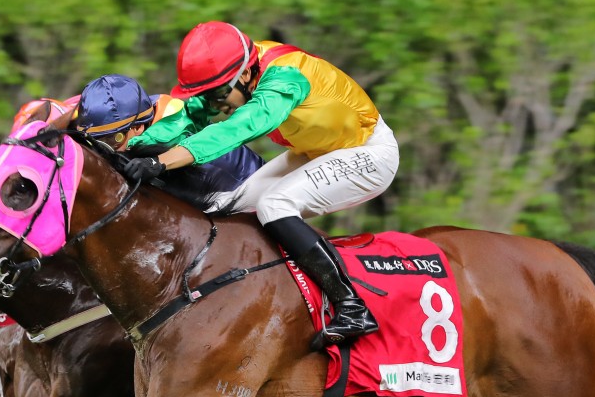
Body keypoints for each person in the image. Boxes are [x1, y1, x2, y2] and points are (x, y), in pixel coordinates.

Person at [121, 21, 398, 347]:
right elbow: (189, 115)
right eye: (208, 93)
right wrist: (129, 147)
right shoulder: (241, 70)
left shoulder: (285, 79)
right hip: (318, 150)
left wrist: (162, 162)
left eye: (219, 94)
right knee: (229, 204)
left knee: (274, 205)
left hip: (368, 153)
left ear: (245, 76)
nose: (214, 103)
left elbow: (237, 129)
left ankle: (351, 305)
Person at [73, 74, 263, 203]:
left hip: (242, 186)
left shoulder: (164, 138)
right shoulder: (136, 112)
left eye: (114, 139)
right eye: (96, 140)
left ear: (138, 127)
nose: (106, 149)